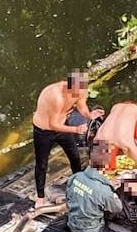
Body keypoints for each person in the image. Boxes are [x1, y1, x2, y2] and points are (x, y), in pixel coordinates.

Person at [31, 71, 102, 204]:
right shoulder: (56, 97)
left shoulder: (80, 91)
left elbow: (81, 105)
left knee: (74, 156)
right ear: (70, 89)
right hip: (44, 130)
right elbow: (53, 124)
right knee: (42, 164)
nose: (82, 95)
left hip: (63, 125)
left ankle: (80, 184)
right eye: (79, 93)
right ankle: (40, 197)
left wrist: (89, 115)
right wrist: (75, 130)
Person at [66, 140, 137, 232]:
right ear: (107, 165)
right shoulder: (104, 191)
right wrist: (112, 189)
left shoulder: (75, 177)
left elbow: (70, 198)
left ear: (90, 160)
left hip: (73, 224)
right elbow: (117, 208)